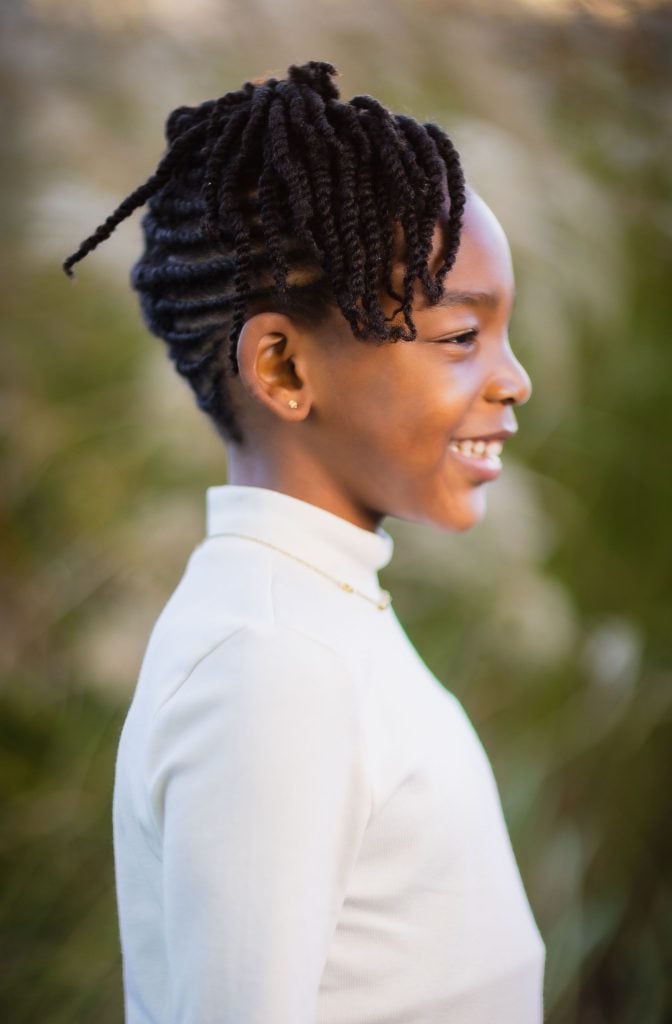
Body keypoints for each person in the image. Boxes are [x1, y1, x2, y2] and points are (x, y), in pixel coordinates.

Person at [64, 60, 545, 1024]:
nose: (514, 380)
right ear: (283, 366)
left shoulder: (317, 616)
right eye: (460, 336)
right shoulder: (272, 663)